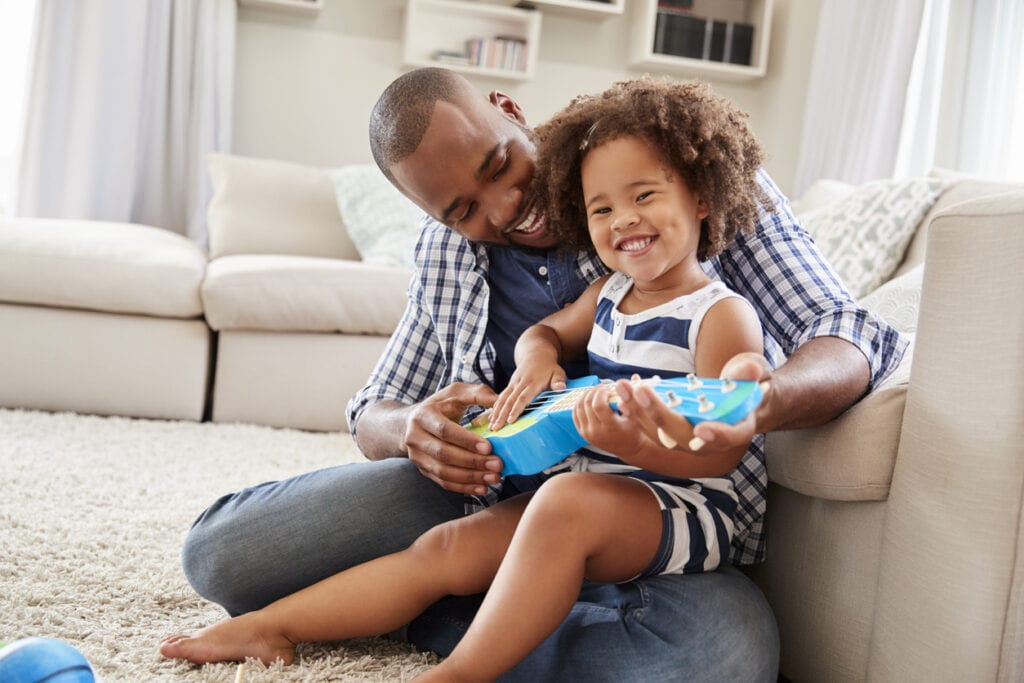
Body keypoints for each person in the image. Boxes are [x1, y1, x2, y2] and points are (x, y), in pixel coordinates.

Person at [175, 67, 907, 681]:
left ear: (510, 110)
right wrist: (411, 430)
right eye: (461, 209)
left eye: (500, 166)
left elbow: (845, 331)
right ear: (427, 214)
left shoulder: (659, 176)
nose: (504, 209)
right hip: (491, 496)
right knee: (223, 557)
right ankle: (460, 601)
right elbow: (374, 405)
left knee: (726, 654)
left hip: (649, 513)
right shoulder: (451, 254)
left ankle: (455, 621)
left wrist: (759, 399)